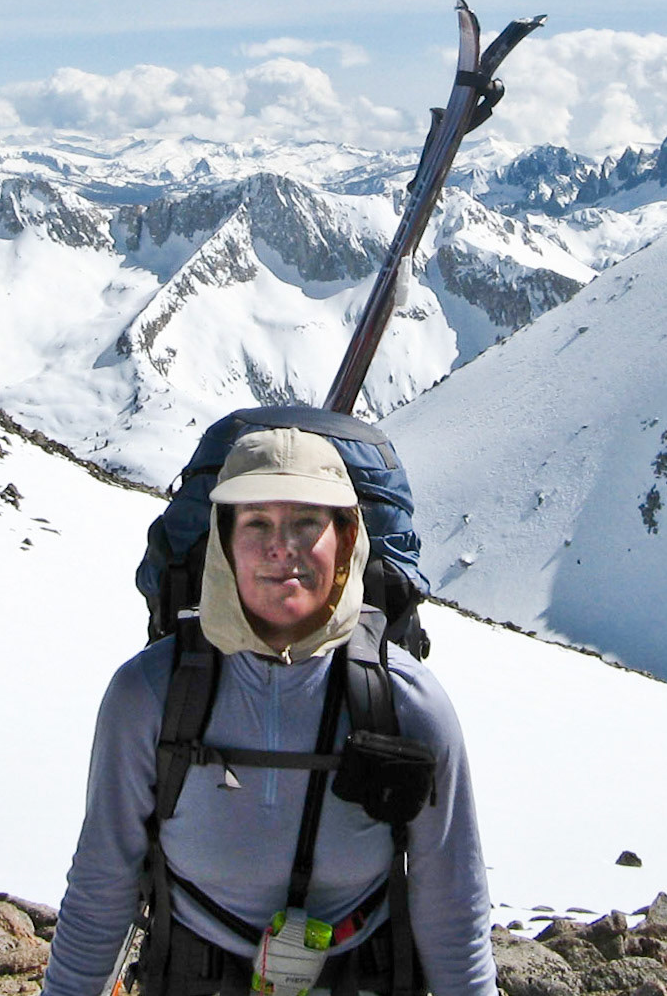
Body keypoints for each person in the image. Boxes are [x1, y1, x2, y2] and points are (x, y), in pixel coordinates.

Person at [42, 426, 496, 996]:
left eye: (307, 521)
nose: (283, 547)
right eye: (257, 522)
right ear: (223, 542)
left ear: (346, 539)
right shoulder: (149, 697)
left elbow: (452, 906)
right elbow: (100, 886)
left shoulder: (407, 704)